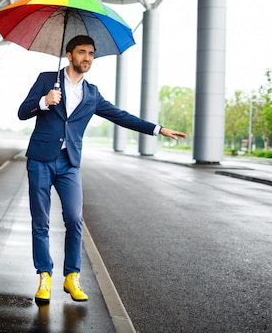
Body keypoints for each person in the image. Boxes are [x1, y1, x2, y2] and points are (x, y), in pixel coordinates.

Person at [17, 35, 187, 304]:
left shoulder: (92, 94)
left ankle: (71, 277)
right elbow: (22, 112)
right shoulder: (46, 80)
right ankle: (44, 277)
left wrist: (157, 129)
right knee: (41, 221)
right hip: (40, 159)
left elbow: (121, 116)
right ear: (69, 54)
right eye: (82, 52)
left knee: (74, 218)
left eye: (91, 54)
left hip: (69, 163)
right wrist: (44, 101)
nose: (87, 58)